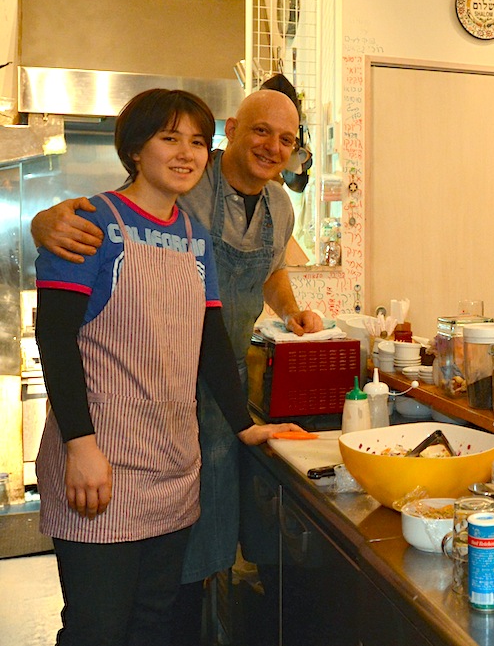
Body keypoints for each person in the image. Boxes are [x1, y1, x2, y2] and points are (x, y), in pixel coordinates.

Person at [31, 88, 325, 643]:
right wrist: (80, 444)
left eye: (195, 140)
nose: (186, 153)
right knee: (98, 625)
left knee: (154, 617)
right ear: (136, 149)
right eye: (170, 139)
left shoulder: (196, 237)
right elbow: (56, 336)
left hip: (173, 452)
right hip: (105, 456)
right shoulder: (95, 223)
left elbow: (210, 335)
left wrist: (244, 424)